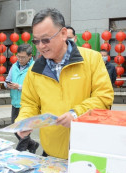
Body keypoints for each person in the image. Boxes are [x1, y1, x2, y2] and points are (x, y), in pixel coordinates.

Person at [16, 8, 114, 159]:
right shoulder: (34, 70)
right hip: (51, 151)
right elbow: (30, 103)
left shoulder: (91, 59)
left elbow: (104, 97)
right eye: (36, 41)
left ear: (63, 34)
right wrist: (24, 121)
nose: (41, 46)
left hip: (88, 149)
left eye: (46, 39)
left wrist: (76, 114)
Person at [4, 44, 39, 153]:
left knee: (24, 131)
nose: (20, 59)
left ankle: (21, 153)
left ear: (30, 56)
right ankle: (33, 144)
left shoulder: (35, 67)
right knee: (15, 129)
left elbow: (36, 87)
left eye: (23, 57)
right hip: (15, 102)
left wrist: (19, 87)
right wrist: (7, 84)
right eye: (18, 56)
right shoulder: (14, 66)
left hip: (27, 105)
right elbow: (7, 80)